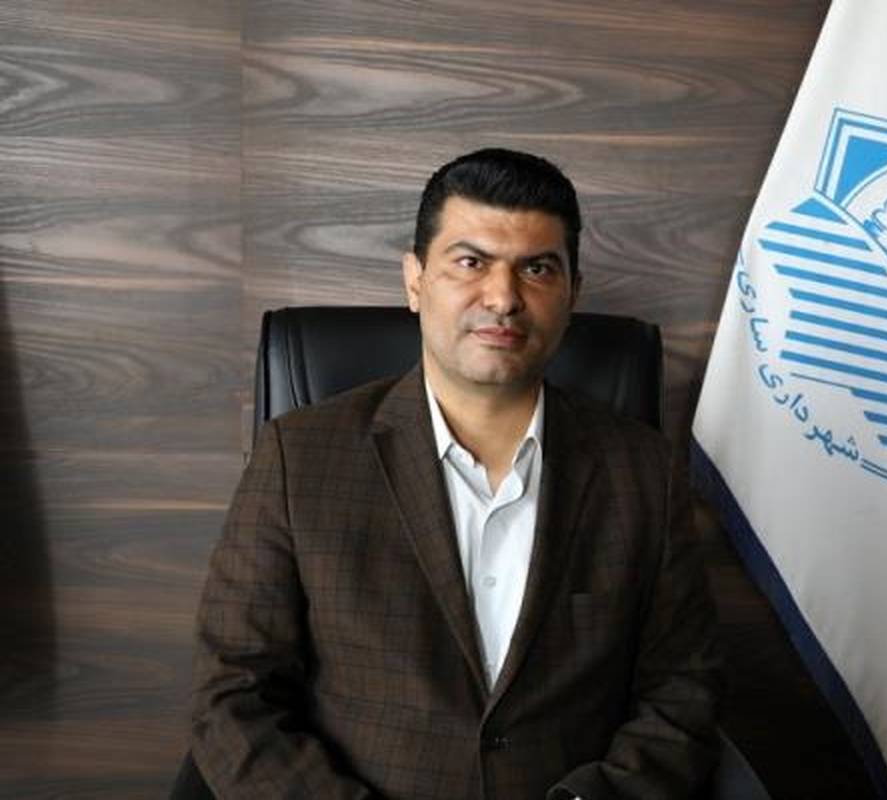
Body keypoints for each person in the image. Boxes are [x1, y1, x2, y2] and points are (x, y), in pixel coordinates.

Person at [189, 148, 722, 799]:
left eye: (537, 268)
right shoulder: (298, 459)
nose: (503, 297)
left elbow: (681, 694)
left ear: (572, 293)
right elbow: (232, 695)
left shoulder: (643, 471)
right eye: (470, 262)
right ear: (415, 281)